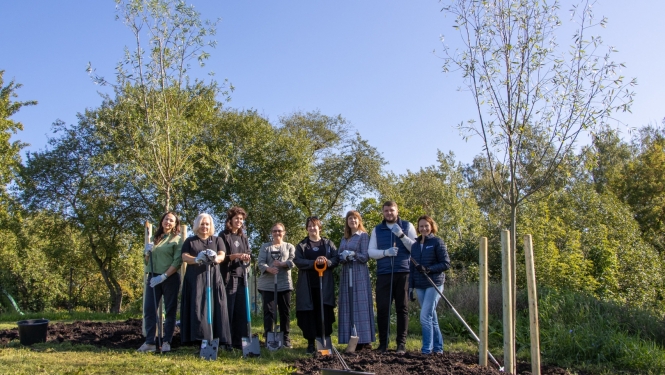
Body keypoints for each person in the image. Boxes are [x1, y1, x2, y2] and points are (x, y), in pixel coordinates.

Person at [368, 201, 417, 354]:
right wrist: (385, 253)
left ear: (397, 211)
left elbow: (414, 249)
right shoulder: (377, 229)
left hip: (403, 273)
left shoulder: (408, 226)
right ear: (383, 212)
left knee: (402, 309)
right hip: (383, 274)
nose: (389, 213)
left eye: (392, 210)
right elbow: (371, 252)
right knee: (383, 309)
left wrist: (401, 235)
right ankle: (383, 344)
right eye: (386, 210)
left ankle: (401, 344)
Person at [180, 213, 231, 347]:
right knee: (197, 306)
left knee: (216, 305)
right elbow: (184, 256)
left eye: (207, 224)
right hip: (195, 277)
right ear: (197, 225)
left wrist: (215, 258)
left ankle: (217, 336)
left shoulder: (216, 240)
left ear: (210, 226)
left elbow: (222, 255)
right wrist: (196, 259)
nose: (205, 227)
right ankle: (198, 337)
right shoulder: (190, 241)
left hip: (213, 277)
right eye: (202, 224)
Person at [138, 212, 183, 353]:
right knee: (150, 309)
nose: (168, 222)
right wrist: (146, 253)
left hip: (169, 278)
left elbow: (177, 261)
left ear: (175, 224)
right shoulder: (154, 238)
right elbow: (146, 261)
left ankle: (166, 341)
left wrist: (164, 276)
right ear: (162, 221)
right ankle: (150, 342)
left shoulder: (177, 239)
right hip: (153, 277)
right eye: (166, 219)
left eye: (171, 220)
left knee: (170, 310)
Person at [293, 216, 339, 354]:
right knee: (309, 313)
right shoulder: (301, 245)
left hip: (324, 285)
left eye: (315, 225)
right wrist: (314, 263)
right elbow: (298, 261)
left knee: (324, 312)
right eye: (309, 226)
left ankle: (324, 340)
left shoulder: (328, 244)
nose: (312, 228)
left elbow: (336, 258)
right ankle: (311, 343)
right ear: (307, 228)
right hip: (307, 286)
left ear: (320, 227)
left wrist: (326, 262)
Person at [409, 215, 450, 354]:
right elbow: (412, 268)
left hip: (434, 283)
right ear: (418, 228)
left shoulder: (437, 242)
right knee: (432, 317)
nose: (424, 228)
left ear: (431, 226)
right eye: (421, 226)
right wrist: (410, 287)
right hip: (420, 285)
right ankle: (438, 349)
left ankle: (426, 350)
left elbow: (445, 263)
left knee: (425, 317)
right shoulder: (414, 246)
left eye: (426, 225)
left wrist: (429, 269)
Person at [337, 210, 375, 350]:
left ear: (359, 220)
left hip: (359, 273)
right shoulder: (344, 238)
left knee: (360, 304)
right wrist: (343, 256)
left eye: (355, 218)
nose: (352, 221)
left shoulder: (363, 236)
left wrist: (354, 254)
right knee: (348, 304)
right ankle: (350, 338)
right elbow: (339, 255)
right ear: (347, 222)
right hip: (347, 273)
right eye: (350, 219)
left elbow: (365, 256)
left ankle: (364, 340)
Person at [257, 222, 296, 348]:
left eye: (279, 231)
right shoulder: (265, 247)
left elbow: (292, 261)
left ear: (284, 232)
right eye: (274, 231)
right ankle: (269, 336)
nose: (277, 233)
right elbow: (260, 262)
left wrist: (282, 264)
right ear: (271, 233)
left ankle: (285, 338)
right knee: (269, 311)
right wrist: (269, 269)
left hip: (284, 283)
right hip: (268, 284)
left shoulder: (289, 246)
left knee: (285, 311)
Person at [219, 206, 252, 350]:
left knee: (241, 309)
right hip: (228, 276)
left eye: (241, 219)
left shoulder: (243, 236)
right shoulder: (223, 235)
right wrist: (236, 256)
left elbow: (248, 252)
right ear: (230, 220)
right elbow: (222, 256)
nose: (239, 221)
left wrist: (246, 257)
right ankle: (227, 341)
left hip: (241, 276)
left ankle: (240, 341)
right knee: (228, 309)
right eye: (236, 219)